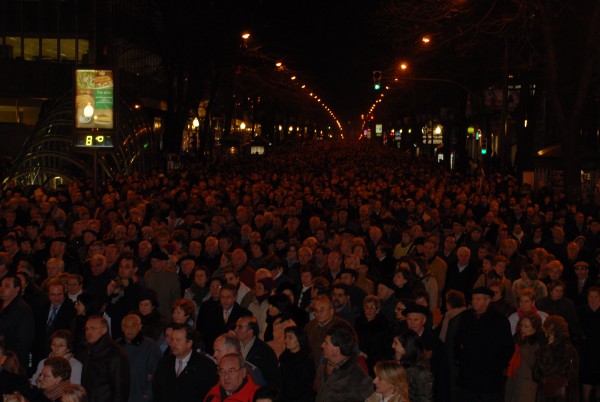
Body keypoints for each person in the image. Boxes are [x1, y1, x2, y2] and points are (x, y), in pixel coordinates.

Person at [455, 287, 514, 402]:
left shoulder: (499, 320)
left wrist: (496, 365)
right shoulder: (466, 317)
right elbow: (458, 340)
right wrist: (460, 357)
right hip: (468, 375)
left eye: (478, 299)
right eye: (473, 299)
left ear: (487, 301)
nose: (474, 302)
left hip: (489, 377)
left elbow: (507, 347)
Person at [154, 324, 218, 402]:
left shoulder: (206, 366)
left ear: (189, 343)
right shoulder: (164, 363)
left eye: (178, 340)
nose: (173, 344)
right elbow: (157, 391)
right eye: (172, 339)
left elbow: (211, 395)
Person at [315, 323, 372, 402]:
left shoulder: (358, 376)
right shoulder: (324, 364)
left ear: (336, 350)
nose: (322, 345)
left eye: (326, 343)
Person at [79, 315, 130, 402]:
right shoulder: (89, 349)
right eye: (87, 329)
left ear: (104, 330)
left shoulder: (115, 353)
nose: (88, 332)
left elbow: (120, 390)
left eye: (93, 328)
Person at [533, 315, 579, 402]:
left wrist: (543, 351)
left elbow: (537, 374)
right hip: (566, 394)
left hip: (548, 394)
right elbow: (572, 374)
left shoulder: (546, 351)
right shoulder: (571, 349)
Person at [118, 314, 162, 402]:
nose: (130, 329)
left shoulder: (150, 345)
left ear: (140, 327)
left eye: (133, 326)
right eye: (126, 326)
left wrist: (148, 395)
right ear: (122, 328)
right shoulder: (117, 345)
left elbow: (156, 374)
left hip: (141, 396)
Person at [504, 312, 546, 402]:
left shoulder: (538, 343)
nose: (523, 329)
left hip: (527, 383)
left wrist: (523, 346)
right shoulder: (516, 339)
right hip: (512, 379)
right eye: (522, 325)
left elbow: (533, 364)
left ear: (535, 328)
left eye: (527, 327)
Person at [0, 274, 35, 371]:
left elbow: (23, 342)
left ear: (17, 289)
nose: (2, 289)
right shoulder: (2, 304)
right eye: (1, 285)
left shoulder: (22, 310)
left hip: (11, 360)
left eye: (7, 286)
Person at [234, 315, 280, 387]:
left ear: (250, 332)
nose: (235, 330)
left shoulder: (265, 351)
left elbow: (271, 379)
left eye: (240, 327)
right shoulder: (233, 346)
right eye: (236, 326)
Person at [355, 295, 394, 374]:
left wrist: (367, 355)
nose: (369, 310)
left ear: (377, 309)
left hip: (375, 361)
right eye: (366, 307)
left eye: (372, 307)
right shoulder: (359, 321)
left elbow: (384, 347)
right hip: (359, 358)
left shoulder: (383, 324)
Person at [392, 330, 433, 402]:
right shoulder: (402, 364)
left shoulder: (420, 373)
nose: (392, 346)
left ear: (405, 348)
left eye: (396, 343)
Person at [278, 326, 315, 402]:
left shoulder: (306, 361)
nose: (286, 340)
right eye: (286, 337)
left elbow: (303, 388)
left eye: (290, 338)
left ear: (299, 340)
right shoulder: (284, 357)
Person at [577, 286, 600, 402]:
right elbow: (576, 331)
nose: (593, 299)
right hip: (586, 352)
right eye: (591, 297)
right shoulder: (580, 311)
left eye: (596, 297)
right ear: (587, 298)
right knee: (586, 380)